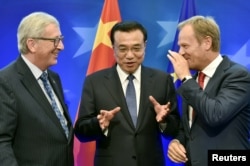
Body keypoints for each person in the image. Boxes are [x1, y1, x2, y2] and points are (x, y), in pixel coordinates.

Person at [74, 21, 180, 166]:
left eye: (136, 48)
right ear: (113, 48)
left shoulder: (162, 80)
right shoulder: (94, 82)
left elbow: (174, 130)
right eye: (122, 49)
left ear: (145, 46)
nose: (130, 55)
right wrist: (99, 124)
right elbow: (81, 132)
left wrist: (163, 121)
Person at [167, 15, 250, 166]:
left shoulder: (238, 75)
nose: (180, 52)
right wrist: (177, 142)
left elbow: (215, 115)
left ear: (207, 42)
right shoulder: (194, 80)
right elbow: (190, 128)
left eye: (185, 46)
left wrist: (185, 78)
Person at [0, 12, 74, 166]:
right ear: (32, 44)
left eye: (60, 40)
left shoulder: (54, 78)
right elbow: (2, 142)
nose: (61, 46)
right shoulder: (5, 82)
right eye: (55, 40)